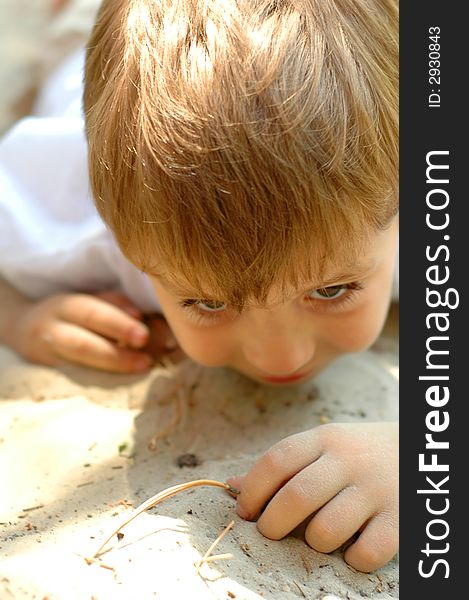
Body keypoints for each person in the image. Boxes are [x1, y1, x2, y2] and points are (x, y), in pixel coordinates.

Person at [0, 0, 398, 573]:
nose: (280, 356)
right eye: (208, 302)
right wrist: (18, 315)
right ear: (127, 249)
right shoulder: (74, 226)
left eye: (332, 290)